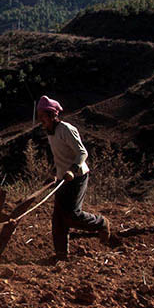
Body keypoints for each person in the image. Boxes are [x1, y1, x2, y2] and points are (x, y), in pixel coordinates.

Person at [35, 95, 109, 260]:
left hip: (78, 177)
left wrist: (72, 170)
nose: (41, 120)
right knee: (58, 219)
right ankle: (61, 255)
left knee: (72, 215)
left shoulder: (66, 129)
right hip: (62, 178)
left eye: (43, 116)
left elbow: (82, 152)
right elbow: (61, 157)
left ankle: (101, 223)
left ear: (52, 115)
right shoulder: (50, 132)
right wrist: (55, 174)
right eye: (39, 116)